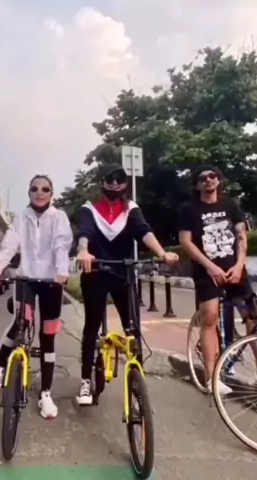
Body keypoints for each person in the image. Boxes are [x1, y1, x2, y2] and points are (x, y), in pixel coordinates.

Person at [178, 165, 257, 395]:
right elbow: (186, 242)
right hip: (206, 272)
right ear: (196, 184)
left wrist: (239, 265)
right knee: (210, 317)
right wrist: (210, 266)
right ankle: (211, 378)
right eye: (203, 178)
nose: (209, 180)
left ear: (219, 180)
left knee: (252, 316)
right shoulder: (189, 209)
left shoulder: (230, 205)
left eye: (213, 176)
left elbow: (241, 236)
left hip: (235, 270)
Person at [75, 163, 179, 405]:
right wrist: (83, 251)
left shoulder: (131, 209)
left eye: (119, 179)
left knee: (132, 327)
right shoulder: (89, 209)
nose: (114, 183)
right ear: (102, 182)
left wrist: (162, 253)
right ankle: (85, 381)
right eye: (109, 179)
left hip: (123, 274)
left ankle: (137, 376)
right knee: (92, 325)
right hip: (95, 272)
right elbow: (85, 233)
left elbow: (144, 231)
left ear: (125, 183)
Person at [0, 174, 73, 419]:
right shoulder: (21, 217)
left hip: (52, 282)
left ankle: (46, 394)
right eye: (34, 188)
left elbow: (61, 245)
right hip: (26, 280)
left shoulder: (59, 217)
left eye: (45, 189)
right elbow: (10, 245)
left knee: (48, 335)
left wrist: (62, 271)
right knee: (20, 322)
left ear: (51, 193)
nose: (39, 193)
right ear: (29, 192)